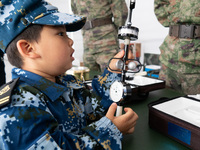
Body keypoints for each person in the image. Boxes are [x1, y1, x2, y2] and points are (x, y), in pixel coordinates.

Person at [0, 0, 138, 149]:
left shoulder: (66, 83)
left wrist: (113, 72)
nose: (71, 41)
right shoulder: (17, 108)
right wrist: (112, 130)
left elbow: (95, 108)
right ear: (28, 48)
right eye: (61, 34)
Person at [154, 0, 200, 95]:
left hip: (195, 63)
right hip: (169, 55)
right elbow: (159, 6)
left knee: (193, 107)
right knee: (163, 103)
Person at [71, 0, 128, 74]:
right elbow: (75, 12)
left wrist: (113, 31)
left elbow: (121, 12)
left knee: (111, 75)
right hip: (87, 44)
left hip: (106, 40)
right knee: (90, 79)